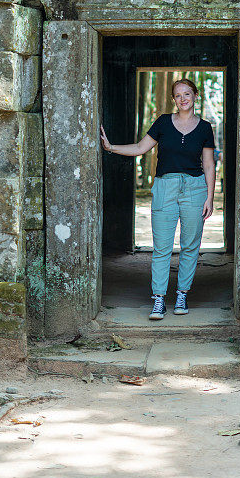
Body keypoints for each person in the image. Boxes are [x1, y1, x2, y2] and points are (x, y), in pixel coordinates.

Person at [100, 78, 216, 320]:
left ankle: (182, 294)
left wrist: (210, 198)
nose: (182, 98)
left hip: (195, 189)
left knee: (190, 246)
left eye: (187, 94)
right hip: (165, 187)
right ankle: (159, 300)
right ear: (174, 99)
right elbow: (141, 148)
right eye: (178, 95)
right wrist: (111, 148)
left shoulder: (205, 127)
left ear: (196, 96)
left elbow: (208, 164)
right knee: (162, 248)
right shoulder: (163, 122)